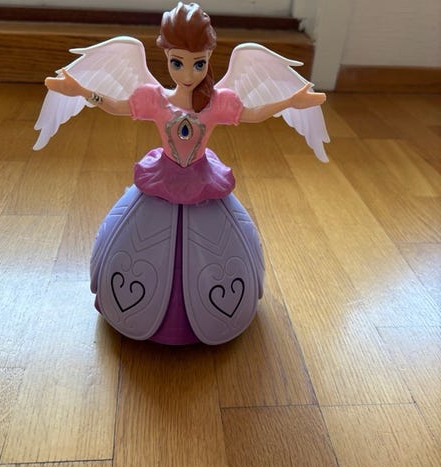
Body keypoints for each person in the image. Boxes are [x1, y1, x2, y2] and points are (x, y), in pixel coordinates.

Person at [40, 2, 327, 345]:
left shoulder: (217, 102)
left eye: (198, 64)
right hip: (161, 180)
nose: (188, 74)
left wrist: (289, 102)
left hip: (202, 182)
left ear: (208, 59)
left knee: (218, 257)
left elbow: (254, 114)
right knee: (136, 252)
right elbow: (117, 106)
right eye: (178, 63)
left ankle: (211, 314)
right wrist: (84, 92)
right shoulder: (154, 98)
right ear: (166, 57)